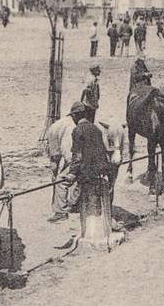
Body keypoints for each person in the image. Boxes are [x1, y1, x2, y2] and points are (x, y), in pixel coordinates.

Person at [70, 102, 117, 246]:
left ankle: (89, 233)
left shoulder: (78, 130)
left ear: (76, 116)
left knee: (88, 203)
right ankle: (103, 231)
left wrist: (72, 173)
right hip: (102, 170)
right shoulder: (96, 128)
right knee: (101, 204)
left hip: (87, 173)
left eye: (73, 116)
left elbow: (77, 155)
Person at [45, 103, 80, 222]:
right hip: (58, 146)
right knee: (62, 181)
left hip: (54, 144)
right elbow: (68, 149)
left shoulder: (63, 122)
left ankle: (67, 204)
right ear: (75, 114)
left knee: (56, 177)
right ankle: (61, 211)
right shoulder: (70, 126)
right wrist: (73, 168)